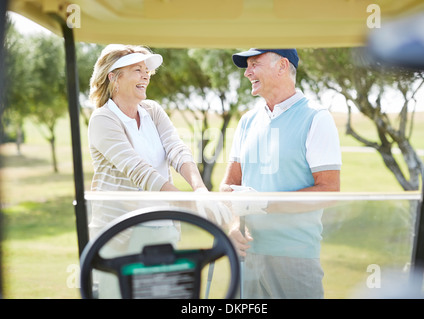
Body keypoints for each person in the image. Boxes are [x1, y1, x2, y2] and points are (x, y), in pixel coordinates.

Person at [87, 44, 216, 297]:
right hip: (119, 235)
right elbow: (139, 171)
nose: (146, 75)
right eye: (137, 70)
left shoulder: (152, 111)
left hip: (163, 227)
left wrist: (200, 189)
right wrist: (192, 205)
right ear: (114, 77)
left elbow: (177, 150)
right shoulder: (103, 120)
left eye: (147, 70)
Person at [220, 48, 342, 298]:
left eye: (255, 64)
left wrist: (265, 203)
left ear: (282, 66)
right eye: (247, 66)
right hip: (248, 257)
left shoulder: (316, 118)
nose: (247, 73)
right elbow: (229, 185)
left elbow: (329, 190)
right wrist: (233, 224)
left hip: (295, 257)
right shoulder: (247, 121)